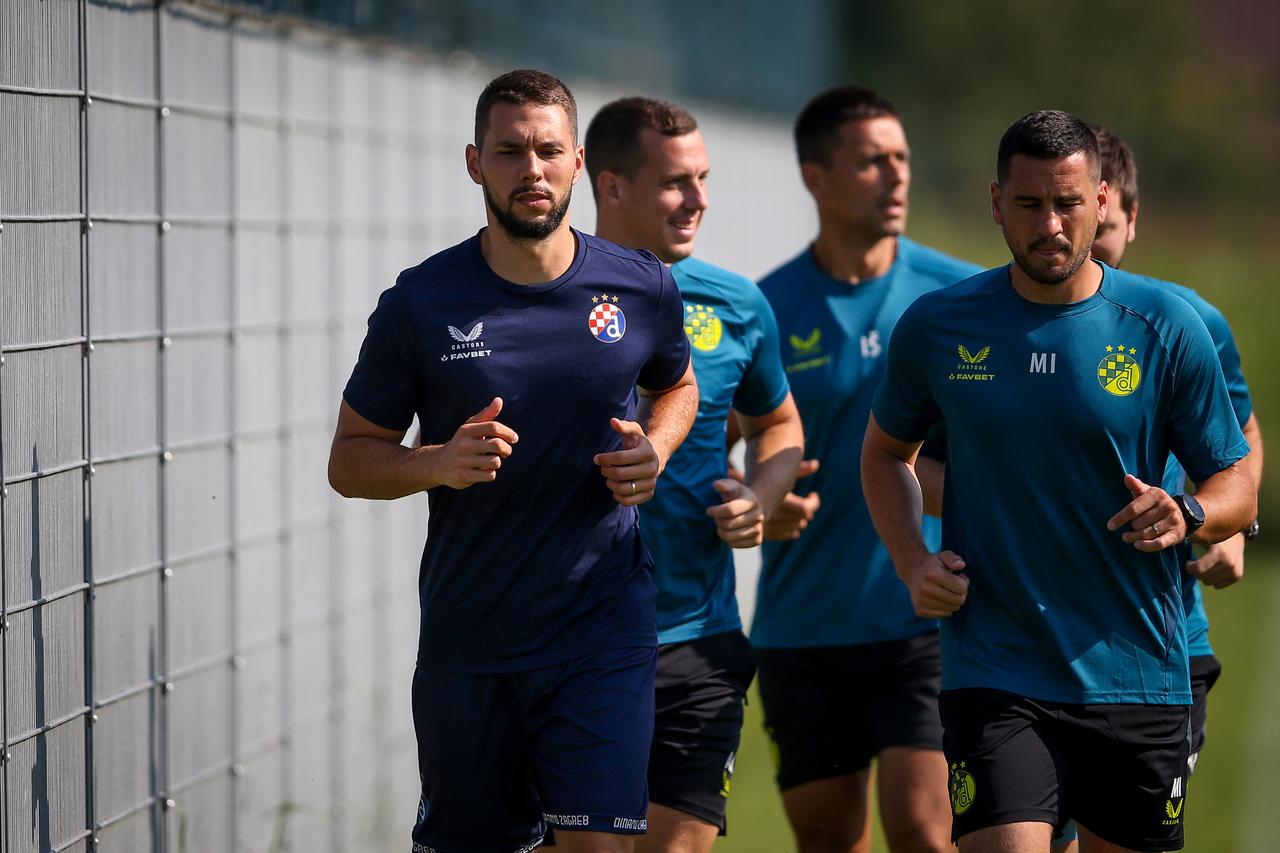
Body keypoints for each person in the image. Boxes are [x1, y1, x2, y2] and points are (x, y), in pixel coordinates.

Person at [862, 109, 1257, 853]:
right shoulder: (941, 326)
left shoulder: (1166, 324)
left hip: (1136, 673)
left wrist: (1191, 511)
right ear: (995, 203)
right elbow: (885, 452)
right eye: (1030, 204)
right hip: (995, 669)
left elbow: (1237, 479)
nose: (1050, 224)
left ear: (1102, 201)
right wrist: (912, 559)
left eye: (1069, 203)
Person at [327, 69, 699, 853]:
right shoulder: (421, 303)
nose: (531, 169)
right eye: (509, 151)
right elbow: (351, 461)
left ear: (578, 162)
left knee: (598, 845)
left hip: (603, 630)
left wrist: (655, 449)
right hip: (472, 641)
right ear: (474, 163)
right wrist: (438, 460)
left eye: (547, 150)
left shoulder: (642, 287)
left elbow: (678, 384)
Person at [737, 86, 979, 853]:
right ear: (816, 176)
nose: (896, 176)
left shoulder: (960, 298)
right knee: (830, 840)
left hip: (925, 613)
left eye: (901, 158)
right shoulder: (764, 309)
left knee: (922, 828)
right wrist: (755, 499)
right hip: (801, 623)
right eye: (872, 161)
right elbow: (727, 437)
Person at [1039, 124, 1266, 853]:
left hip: (1156, 641)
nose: (1086, 245)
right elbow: (920, 455)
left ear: (1127, 218)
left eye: (1102, 229)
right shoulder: (998, 324)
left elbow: (1242, 437)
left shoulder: (1186, 321)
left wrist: (1224, 523)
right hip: (1025, 635)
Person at [586, 96, 804, 853]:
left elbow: (779, 424)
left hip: (698, 640)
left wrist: (759, 494)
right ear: (611, 187)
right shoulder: (546, 298)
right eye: (677, 181)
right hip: (567, 641)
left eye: (703, 178)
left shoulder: (736, 302)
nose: (700, 199)